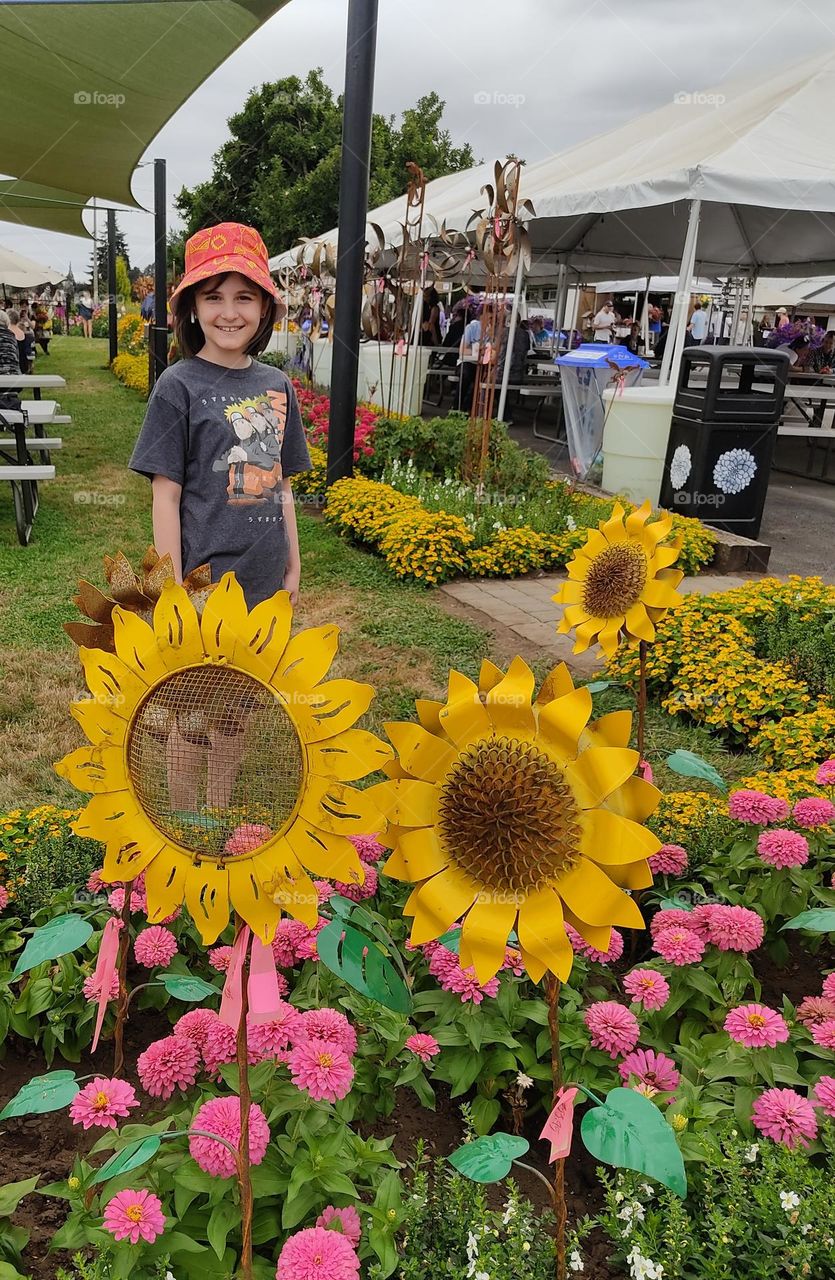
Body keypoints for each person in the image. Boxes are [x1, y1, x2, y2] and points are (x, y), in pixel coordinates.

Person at [129, 221, 311, 814]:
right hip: (201, 584)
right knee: (192, 713)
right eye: (214, 297)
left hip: (259, 583)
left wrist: (292, 560)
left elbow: (280, 482)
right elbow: (166, 495)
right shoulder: (177, 386)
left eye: (244, 297)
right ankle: (184, 820)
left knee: (236, 711)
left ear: (264, 307)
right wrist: (171, 585)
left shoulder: (278, 385)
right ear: (190, 308)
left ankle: (217, 813)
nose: (229, 312)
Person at [7, 309, 35, 373]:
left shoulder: (6, 334)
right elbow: (30, 355)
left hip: (10, 367)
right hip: (23, 366)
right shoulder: (27, 335)